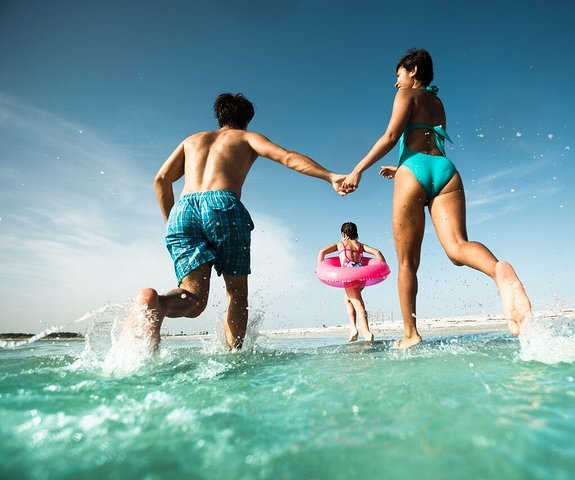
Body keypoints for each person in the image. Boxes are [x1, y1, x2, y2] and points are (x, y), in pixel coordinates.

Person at [341, 49, 532, 348]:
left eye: (399, 75)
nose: (396, 83)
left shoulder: (407, 95)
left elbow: (392, 136)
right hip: (445, 170)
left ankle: (410, 334)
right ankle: (498, 271)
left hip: (413, 173)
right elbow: (426, 142)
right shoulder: (437, 101)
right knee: (458, 248)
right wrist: (400, 166)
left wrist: (357, 170)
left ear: (413, 71)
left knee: (407, 263)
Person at [133, 92, 346, 351]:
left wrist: (172, 223)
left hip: (183, 209)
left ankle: (158, 304)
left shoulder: (192, 140)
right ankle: (234, 358)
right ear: (247, 120)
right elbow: (288, 157)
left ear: (219, 116)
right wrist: (329, 175)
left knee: (194, 298)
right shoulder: (247, 137)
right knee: (236, 292)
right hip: (223, 205)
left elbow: (161, 180)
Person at [317, 222, 386, 342]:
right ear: (356, 233)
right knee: (348, 299)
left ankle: (367, 332)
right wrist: (382, 266)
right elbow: (378, 253)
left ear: (343, 233)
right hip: (361, 276)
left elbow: (322, 252)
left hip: (349, 277)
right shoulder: (360, 246)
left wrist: (319, 268)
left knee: (358, 303)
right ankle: (353, 329)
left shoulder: (340, 245)